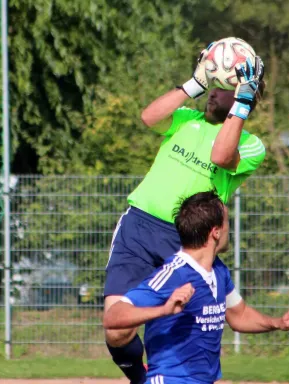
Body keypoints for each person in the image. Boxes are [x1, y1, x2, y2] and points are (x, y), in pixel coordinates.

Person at [103, 41, 267, 384]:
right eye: (213, 83)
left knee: (185, 332)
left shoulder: (251, 145)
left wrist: (243, 97)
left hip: (187, 242)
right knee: (117, 331)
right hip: (138, 227)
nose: (213, 92)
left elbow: (222, 156)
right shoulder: (184, 119)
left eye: (223, 87)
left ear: (241, 97)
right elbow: (148, 117)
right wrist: (194, 83)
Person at [104, 191, 289, 384]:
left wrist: (278, 323)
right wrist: (164, 310)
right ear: (216, 232)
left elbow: (240, 315)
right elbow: (113, 317)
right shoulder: (174, 273)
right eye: (227, 221)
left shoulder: (218, 271)